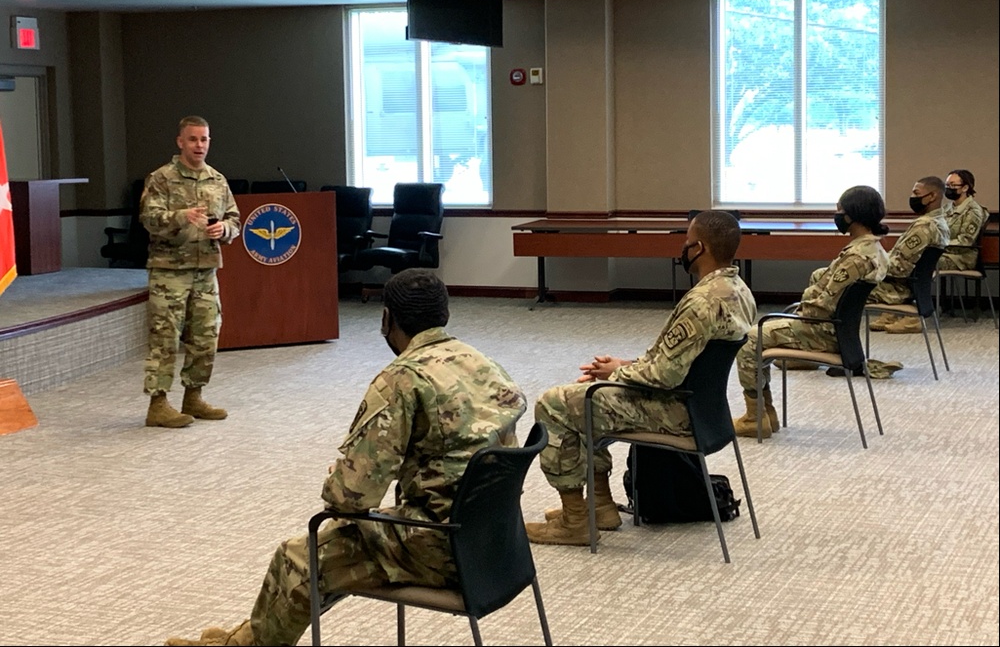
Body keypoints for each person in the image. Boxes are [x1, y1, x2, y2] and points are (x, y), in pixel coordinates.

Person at [165, 268, 527, 646]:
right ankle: (248, 637)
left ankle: (249, 644)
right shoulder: (482, 362)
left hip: (440, 546)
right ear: (444, 314)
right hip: (495, 538)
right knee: (337, 551)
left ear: (387, 319)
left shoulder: (403, 379)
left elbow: (349, 499)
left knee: (299, 557)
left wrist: (344, 475)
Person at [525, 211, 756, 546]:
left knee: (555, 404)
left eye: (687, 242)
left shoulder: (701, 302)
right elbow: (685, 360)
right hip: (705, 410)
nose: (683, 248)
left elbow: (663, 376)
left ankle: (575, 521)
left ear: (700, 248)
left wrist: (615, 373)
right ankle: (600, 507)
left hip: (676, 412)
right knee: (586, 397)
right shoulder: (738, 290)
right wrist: (624, 364)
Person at [732, 186, 890, 437]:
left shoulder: (857, 256)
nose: (837, 216)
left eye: (840, 211)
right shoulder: (874, 250)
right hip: (841, 333)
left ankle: (756, 416)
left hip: (822, 332)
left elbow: (821, 307)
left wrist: (808, 296)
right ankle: (765, 414)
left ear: (852, 215)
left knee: (749, 339)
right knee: (761, 333)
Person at [140, 115, 241, 428]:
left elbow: (235, 220)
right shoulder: (162, 178)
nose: (200, 145)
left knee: (205, 336)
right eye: (194, 139)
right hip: (170, 271)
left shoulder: (217, 180)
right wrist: (182, 216)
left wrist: (224, 229)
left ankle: (193, 397)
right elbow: (149, 219)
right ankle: (158, 405)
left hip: (205, 271)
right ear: (180, 142)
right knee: (166, 338)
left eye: (205, 139)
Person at [866, 176, 949, 336]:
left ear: (932, 196)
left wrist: (870, 264)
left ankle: (819, 340)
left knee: (829, 282)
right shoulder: (938, 221)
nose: (912, 198)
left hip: (897, 289)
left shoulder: (924, 226)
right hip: (909, 286)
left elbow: (898, 269)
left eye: (916, 193)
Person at [939, 169, 988, 272]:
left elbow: (965, 242)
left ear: (965, 187)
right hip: (944, 253)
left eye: (952, 185)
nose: (948, 188)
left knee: (924, 263)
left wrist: (940, 245)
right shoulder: (946, 209)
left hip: (962, 258)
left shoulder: (973, 211)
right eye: (947, 185)